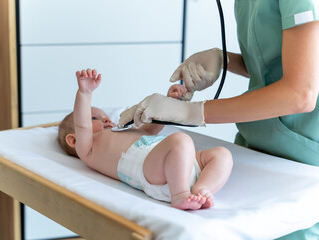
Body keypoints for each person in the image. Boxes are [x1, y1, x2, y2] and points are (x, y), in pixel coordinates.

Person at [119, 1, 319, 238]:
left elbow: (300, 94)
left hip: (304, 154)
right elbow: (274, 60)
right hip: (255, 144)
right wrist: (223, 59)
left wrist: (190, 112)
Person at [58, 68, 233, 210]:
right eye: (94, 118)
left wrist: (170, 101)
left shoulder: (124, 132)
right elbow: (82, 124)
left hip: (179, 162)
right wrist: (85, 94)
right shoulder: (88, 150)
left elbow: (153, 125)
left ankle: (202, 189)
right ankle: (180, 196)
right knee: (180, 140)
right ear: (73, 140)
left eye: (105, 116)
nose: (106, 119)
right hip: (153, 173)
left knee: (222, 154)